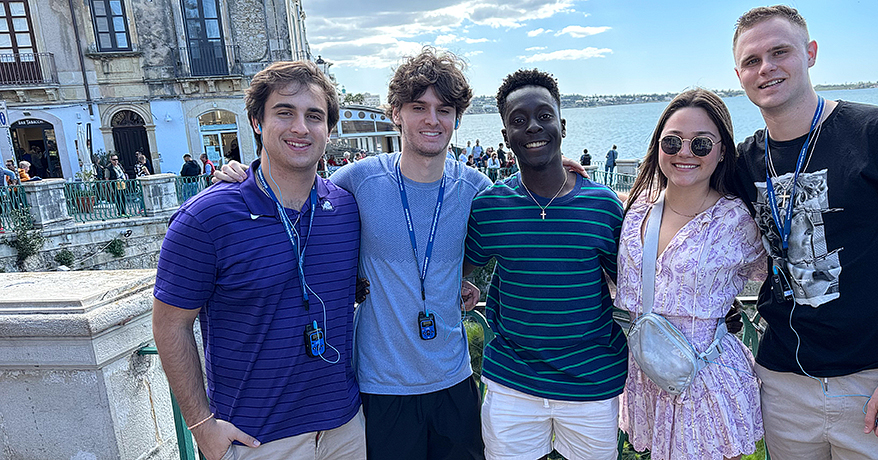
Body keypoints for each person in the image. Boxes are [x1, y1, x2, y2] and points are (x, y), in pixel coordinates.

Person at [214, 47, 489, 460]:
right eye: (418, 107)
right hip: (379, 388)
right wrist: (243, 174)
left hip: (454, 381)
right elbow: (295, 193)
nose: (432, 120)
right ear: (396, 112)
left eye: (444, 109)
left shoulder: (477, 189)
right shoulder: (357, 180)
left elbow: (525, 216)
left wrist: (558, 169)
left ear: (457, 118)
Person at [731, 6, 878, 458]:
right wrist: (567, 178)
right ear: (739, 75)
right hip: (783, 383)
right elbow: (680, 200)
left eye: (780, 52)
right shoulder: (744, 162)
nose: (766, 68)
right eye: (752, 61)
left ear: (810, 54)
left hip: (873, 382)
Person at [151, 60, 365, 460]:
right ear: (256, 121)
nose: (300, 128)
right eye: (285, 112)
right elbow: (169, 326)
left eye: (314, 116)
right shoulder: (207, 218)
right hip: (256, 440)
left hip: (345, 430)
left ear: (328, 130)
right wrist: (201, 427)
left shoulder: (347, 208)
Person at [464, 69, 626, 460]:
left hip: (592, 381)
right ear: (506, 137)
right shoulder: (489, 207)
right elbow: (454, 270)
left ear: (562, 124)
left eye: (544, 116)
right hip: (512, 383)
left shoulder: (602, 204)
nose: (533, 127)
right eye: (518, 121)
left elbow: (631, 282)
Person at [617, 89, 764, 459]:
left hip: (706, 380)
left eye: (700, 144)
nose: (685, 153)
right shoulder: (635, 210)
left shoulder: (736, 220)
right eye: (672, 142)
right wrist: (566, 178)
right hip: (648, 372)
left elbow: (787, 269)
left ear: (721, 151)